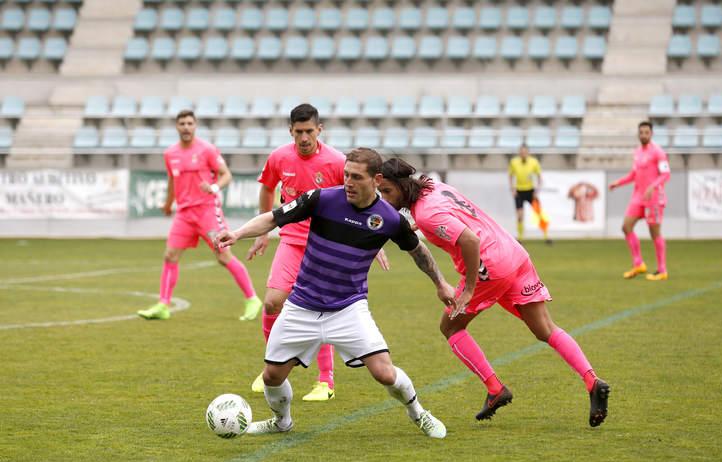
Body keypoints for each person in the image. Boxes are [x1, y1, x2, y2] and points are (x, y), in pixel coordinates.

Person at [215, 148, 451, 439]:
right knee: (271, 377)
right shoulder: (322, 199)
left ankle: (419, 414)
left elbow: (418, 250)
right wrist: (238, 233)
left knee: (384, 373)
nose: (348, 182)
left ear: (376, 179)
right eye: (346, 175)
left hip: (348, 308)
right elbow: (274, 218)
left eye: (356, 177)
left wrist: (440, 283)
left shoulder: (388, 219)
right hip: (302, 305)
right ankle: (281, 421)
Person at [378, 158, 611, 427]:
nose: (384, 198)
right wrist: (420, 225)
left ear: (404, 186)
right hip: (513, 252)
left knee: (451, 328)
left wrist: (469, 289)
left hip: (490, 266)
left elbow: (469, 240)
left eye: (387, 191)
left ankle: (495, 388)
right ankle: (592, 381)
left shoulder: (427, 214)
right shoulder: (433, 187)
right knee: (545, 328)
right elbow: (453, 217)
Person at [246, 103, 388, 400]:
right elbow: (267, 187)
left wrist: (369, 242)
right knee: (272, 302)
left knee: (320, 307)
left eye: (309, 131)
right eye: (298, 132)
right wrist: (264, 231)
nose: (304, 137)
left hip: (325, 243)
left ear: (319, 130)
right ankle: (271, 366)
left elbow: (359, 199)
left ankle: (325, 381)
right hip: (291, 239)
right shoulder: (279, 157)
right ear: (291, 131)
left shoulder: (336, 162)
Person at [137, 110, 262, 321]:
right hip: (184, 214)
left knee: (224, 256)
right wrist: (168, 205)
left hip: (207, 211)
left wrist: (213, 187)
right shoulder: (170, 154)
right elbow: (172, 182)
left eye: (189, 123)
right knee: (170, 256)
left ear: (195, 126)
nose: (186, 127)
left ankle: (252, 299)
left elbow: (226, 175)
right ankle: (163, 305)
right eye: (182, 123)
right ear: (177, 127)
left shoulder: (207, 150)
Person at [609, 121, 671, 281]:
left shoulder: (658, 152)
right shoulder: (637, 152)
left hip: (654, 198)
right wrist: (618, 183)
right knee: (626, 226)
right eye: (641, 132)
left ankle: (662, 270)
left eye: (646, 132)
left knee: (654, 232)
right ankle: (638, 264)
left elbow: (666, 174)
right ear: (638, 134)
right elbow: (634, 175)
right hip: (638, 197)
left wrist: (653, 186)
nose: (643, 135)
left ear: (651, 134)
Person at [508, 145, 550, 243]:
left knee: (539, 213)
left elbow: (539, 177)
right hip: (519, 191)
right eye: (521, 152)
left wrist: (537, 190)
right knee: (520, 216)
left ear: (528, 152)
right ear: (519, 152)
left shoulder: (533, 162)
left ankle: (546, 236)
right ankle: (520, 238)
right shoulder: (514, 162)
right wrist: (512, 189)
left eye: (525, 151)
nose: (523, 153)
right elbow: (510, 176)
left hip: (531, 191)